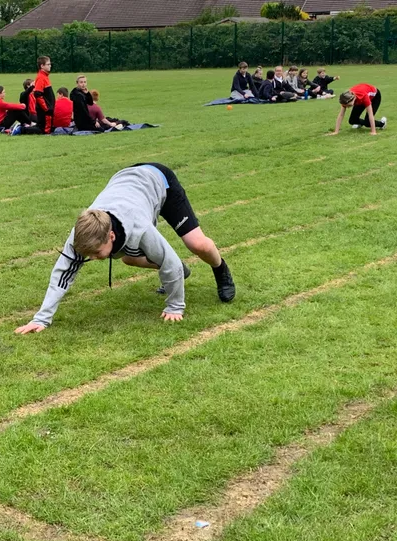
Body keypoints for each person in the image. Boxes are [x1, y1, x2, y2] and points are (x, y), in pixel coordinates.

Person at [14, 163, 236, 333]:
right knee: (129, 258)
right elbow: (63, 273)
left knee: (197, 244)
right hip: (126, 181)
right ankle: (181, 271)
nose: (92, 258)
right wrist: (41, 319)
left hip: (159, 181)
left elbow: (168, 262)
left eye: (97, 253)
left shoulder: (139, 227)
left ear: (110, 235)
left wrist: (175, 307)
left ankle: (220, 269)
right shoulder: (82, 233)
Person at [33, 56, 55, 134]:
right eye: (48, 64)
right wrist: (46, 108)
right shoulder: (41, 77)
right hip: (45, 110)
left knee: (43, 128)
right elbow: (37, 94)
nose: (50, 66)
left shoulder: (45, 76)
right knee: (42, 130)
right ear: (42, 66)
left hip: (47, 109)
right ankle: (21, 129)